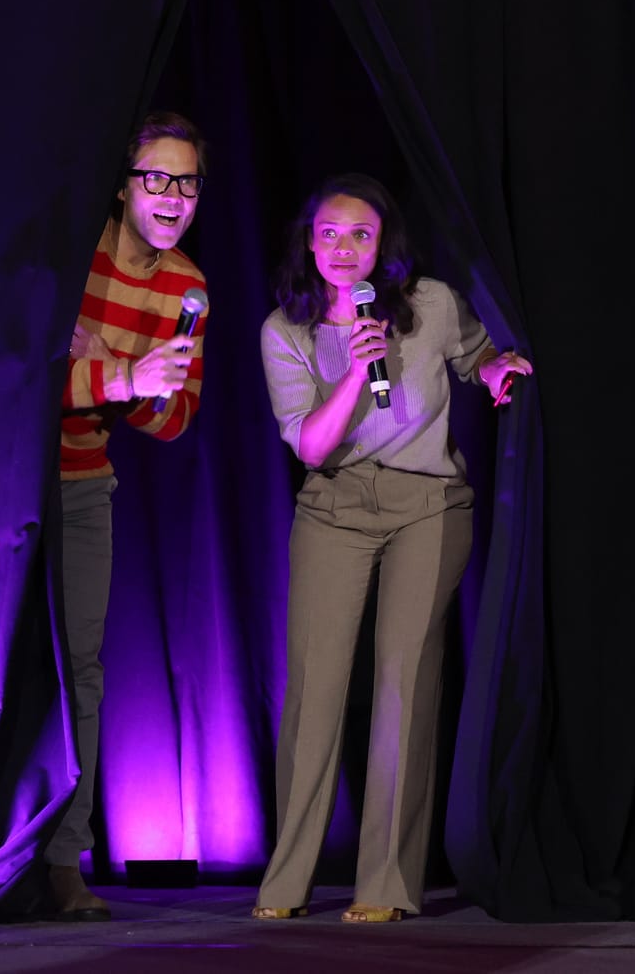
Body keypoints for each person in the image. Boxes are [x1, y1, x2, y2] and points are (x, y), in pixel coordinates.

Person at [250, 174, 531, 924]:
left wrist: (498, 369)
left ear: (385, 245)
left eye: (362, 235)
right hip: (335, 505)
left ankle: (387, 883)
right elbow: (310, 445)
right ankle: (286, 880)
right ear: (309, 244)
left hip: (426, 505)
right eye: (332, 234)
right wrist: (349, 373)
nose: (346, 249)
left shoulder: (432, 304)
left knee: (404, 683)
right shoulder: (286, 330)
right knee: (315, 688)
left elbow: (478, 356)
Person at [45, 111, 211, 921]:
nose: (173, 195)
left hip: (83, 485)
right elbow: (19, 375)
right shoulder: (75, 252)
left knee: (83, 671)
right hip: (4, 487)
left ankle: (60, 860)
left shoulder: (187, 287)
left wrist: (124, 381)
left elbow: (175, 420)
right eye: (157, 178)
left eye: (187, 181)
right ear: (122, 186)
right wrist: (122, 378)